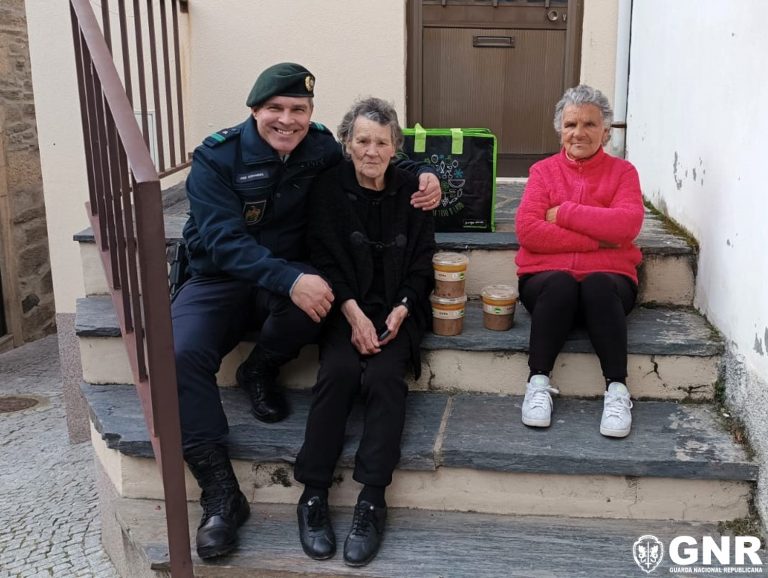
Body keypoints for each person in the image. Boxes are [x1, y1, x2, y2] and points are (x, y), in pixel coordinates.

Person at [172, 63, 441, 560]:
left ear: (311, 115)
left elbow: (373, 159)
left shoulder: (317, 146)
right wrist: (293, 279)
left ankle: (260, 368)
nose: (287, 120)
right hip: (220, 277)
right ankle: (219, 495)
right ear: (255, 110)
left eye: (298, 109)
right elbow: (223, 242)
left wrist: (423, 176)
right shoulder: (215, 158)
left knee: (318, 307)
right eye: (275, 109)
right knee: (181, 353)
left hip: (287, 276)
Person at [292, 97, 435, 567]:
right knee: (337, 373)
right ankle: (313, 495)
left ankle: (372, 499)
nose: (371, 150)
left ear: (395, 147)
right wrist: (353, 315)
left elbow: (420, 264)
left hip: (398, 309)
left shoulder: (414, 188)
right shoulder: (328, 188)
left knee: (383, 379)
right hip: (343, 303)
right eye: (362, 140)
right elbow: (325, 257)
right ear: (347, 144)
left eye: (381, 141)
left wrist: (403, 309)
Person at [515, 84, 645, 439]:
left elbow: (627, 225)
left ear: (604, 131)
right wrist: (599, 238)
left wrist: (566, 213)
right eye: (571, 124)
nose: (579, 133)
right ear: (560, 129)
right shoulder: (543, 171)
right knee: (560, 283)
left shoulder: (623, 173)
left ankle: (617, 390)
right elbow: (528, 230)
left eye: (589, 124)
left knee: (597, 284)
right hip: (546, 285)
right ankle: (538, 383)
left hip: (609, 286)